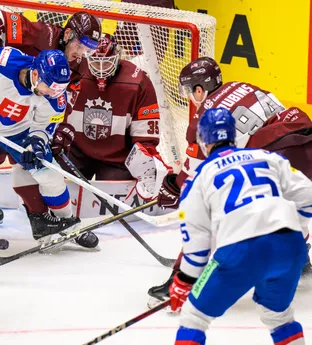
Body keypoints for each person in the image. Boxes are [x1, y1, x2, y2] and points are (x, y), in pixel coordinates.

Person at [148, 56, 312, 306]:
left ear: (200, 89)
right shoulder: (243, 85)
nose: (191, 96)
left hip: (278, 152)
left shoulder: (206, 118)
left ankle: (180, 283)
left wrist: (173, 186)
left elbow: (196, 176)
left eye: (190, 90)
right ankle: (299, 259)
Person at [169, 107, 310, 345]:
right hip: (290, 246)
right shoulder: (267, 157)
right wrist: (297, 231)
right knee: (279, 317)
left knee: (194, 317)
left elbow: (197, 242)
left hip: (241, 248)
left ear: (203, 141)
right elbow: (308, 195)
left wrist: (184, 281)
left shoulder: (199, 177)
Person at [0, 9, 102, 224]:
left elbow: (62, 103)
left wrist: (58, 129)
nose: (82, 54)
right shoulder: (39, 34)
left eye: (88, 50)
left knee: (24, 157)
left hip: (20, 114)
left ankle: (40, 218)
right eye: (80, 45)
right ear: (67, 34)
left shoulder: (77, 65)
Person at [0, 46, 98, 248]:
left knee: (50, 175)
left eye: (59, 88)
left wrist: (37, 142)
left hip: (17, 133)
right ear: (35, 74)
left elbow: (43, 127)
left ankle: (68, 226)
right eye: (50, 86)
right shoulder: (1, 60)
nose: (54, 93)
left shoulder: (56, 98)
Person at [52, 34, 171, 199]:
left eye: (107, 62)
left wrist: (146, 162)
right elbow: (52, 108)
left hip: (117, 158)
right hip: (76, 149)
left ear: (117, 57)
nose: (101, 69)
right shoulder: (72, 71)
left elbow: (145, 135)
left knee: (115, 198)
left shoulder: (138, 81)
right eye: (95, 62)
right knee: (52, 181)